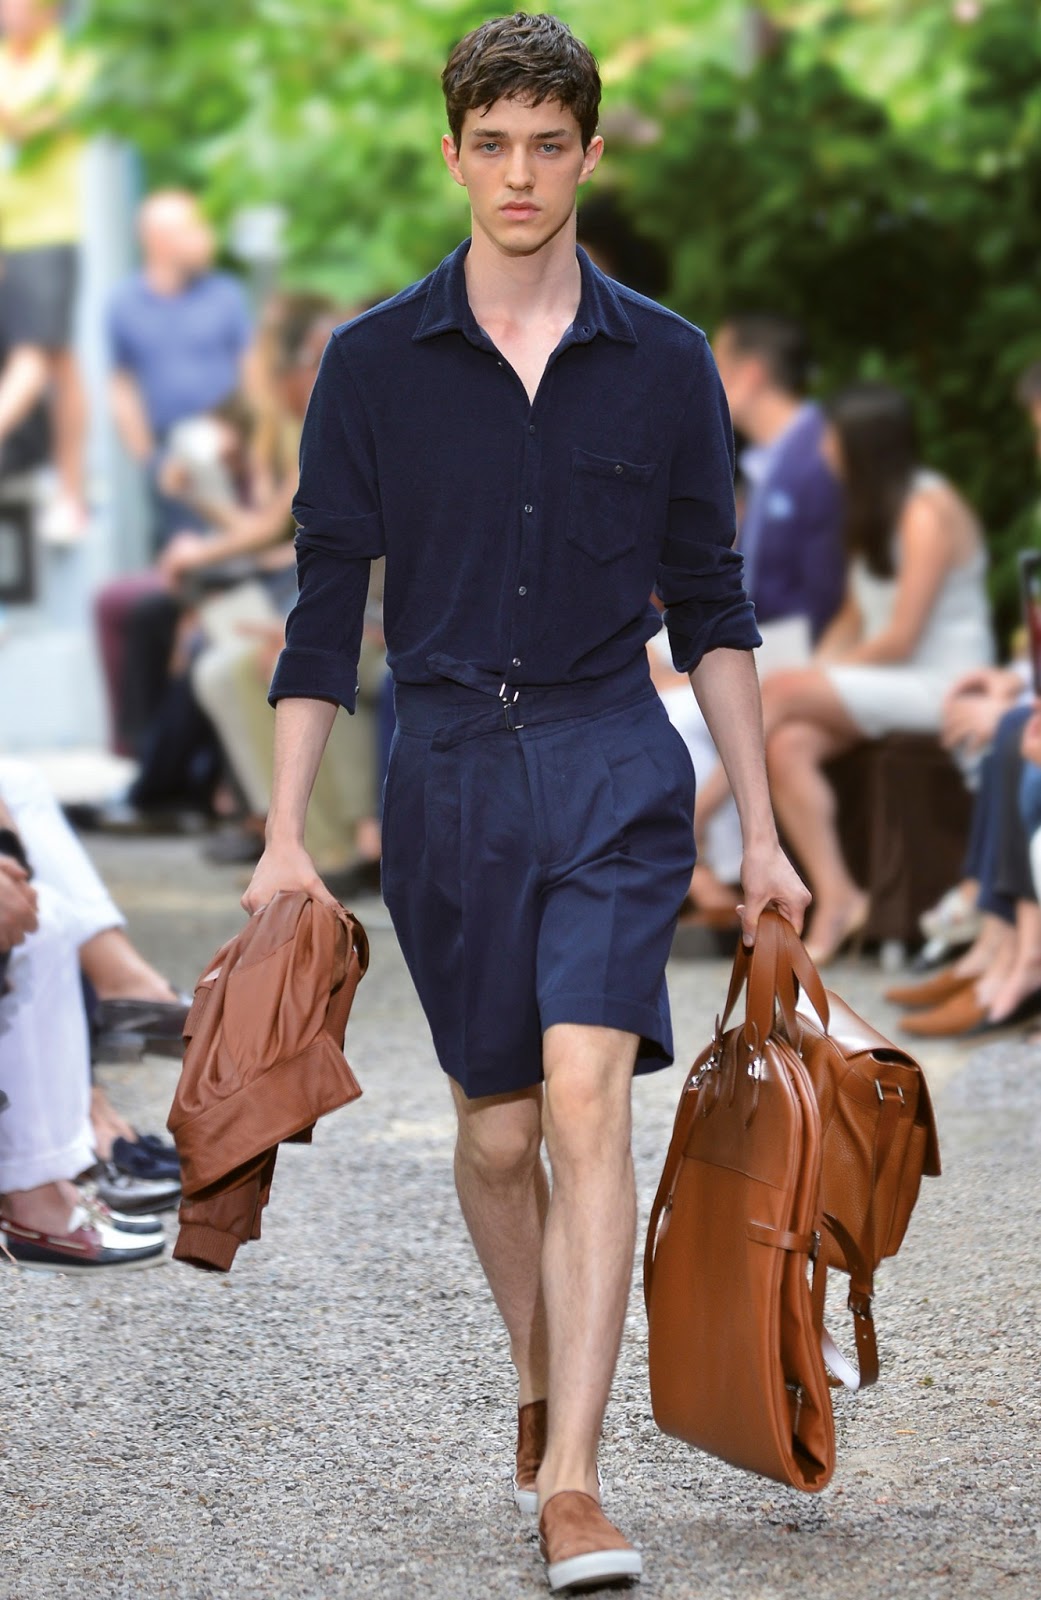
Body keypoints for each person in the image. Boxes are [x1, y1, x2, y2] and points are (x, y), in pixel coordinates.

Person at [243, 14, 807, 1592]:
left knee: (582, 1096)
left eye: (547, 146)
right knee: (495, 1137)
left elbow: (714, 607)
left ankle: (574, 1485)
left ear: (588, 156)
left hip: (613, 756)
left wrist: (763, 836)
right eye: (491, 145)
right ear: (453, 156)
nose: (518, 174)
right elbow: (321, 613)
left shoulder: (668, 363)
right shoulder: (370, 365)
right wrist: (285, 837)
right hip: (447, 779)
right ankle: (543, 1374)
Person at [746, 382, 992, 964]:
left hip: (944, 682)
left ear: (863, 444)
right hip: (886, 680)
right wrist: (818, 671)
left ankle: (693, 822)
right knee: (788, 743)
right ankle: (839, 895)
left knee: (780, 691)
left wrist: (813, 680)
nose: (823, 448)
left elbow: (901, 637)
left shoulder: (926, 511)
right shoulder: (871, 510)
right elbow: (854, 618)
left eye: (832, 437)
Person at [650, 314, 844, 914]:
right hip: (766, 640)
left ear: (751, 373)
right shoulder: (770, 462)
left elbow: (828, 597)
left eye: (718, 370)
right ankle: (706, 869)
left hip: (802, 651)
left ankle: (709, 865)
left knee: (674, 702)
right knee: (648, 672)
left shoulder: (820, 455)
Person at [107, 188, 255, 549]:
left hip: (229, 450)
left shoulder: (226, 295)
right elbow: (122, 386)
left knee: (236, 544)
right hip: (169, 454)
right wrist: (149, 459)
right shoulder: (124, 304)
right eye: (194, 228)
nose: (208, 238)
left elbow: (251, 371)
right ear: (159, 240)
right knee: (181, 549)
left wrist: (249, 442)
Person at [0, 0, 92, 541]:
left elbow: (35, 129)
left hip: (47, 231)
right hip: (7, 232)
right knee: (61, 359)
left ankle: (71, 493)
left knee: (36, 356)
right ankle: (70, 494)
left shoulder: (70, 59)